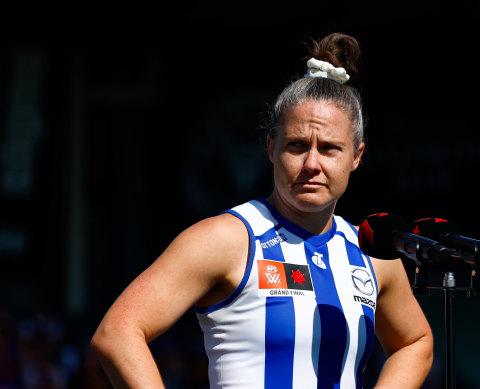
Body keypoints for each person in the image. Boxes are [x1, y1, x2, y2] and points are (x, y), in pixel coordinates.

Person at [91, 32, 434, 388]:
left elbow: (415, 342)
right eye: (297, 145)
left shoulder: (373, 253)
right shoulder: (226, 239)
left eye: (330, 148)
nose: (312, 163)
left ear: (357, 157)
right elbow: (118, 332)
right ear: (271, 148)